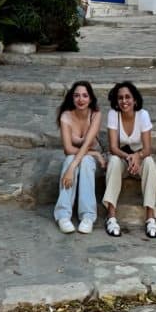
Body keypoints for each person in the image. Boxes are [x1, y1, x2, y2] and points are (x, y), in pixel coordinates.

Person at [103, 81, 156, 238]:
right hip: (122, 157)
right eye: (120, 98)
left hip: (140, 158)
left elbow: (148, 148)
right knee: (113, 161)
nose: (124, 101)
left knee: (150, 163)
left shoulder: (143, 115)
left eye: (128, 97)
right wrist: (129, 157)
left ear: (135, 100)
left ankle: (150, 216)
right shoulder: (113, 114)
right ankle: (111, 216)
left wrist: (137, 157)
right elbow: (113, 147)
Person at [53, 80, 103, 234]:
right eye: (76, 96)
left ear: (90, 98)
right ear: (72, 98)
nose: (81, 99)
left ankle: (87, 216)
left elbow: (87, 143)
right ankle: (63, 215)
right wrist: (94, 153)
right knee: (70, 160)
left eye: (85, 96)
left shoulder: (96, 114)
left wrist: (73, 166)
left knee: (85, 161)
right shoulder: (66, 116)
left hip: (88, 160)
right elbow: (68, 149)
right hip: (80, 154)